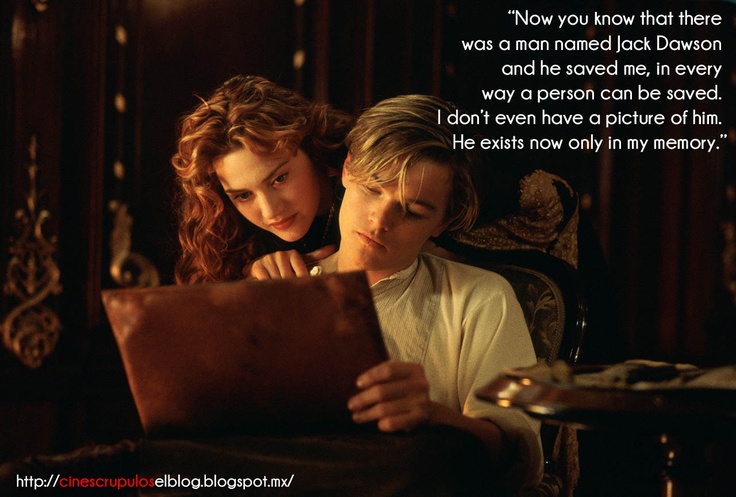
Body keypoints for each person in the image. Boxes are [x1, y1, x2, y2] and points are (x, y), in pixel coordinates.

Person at [266, 94, 544, 491]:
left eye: (413, 211)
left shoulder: (481, 299)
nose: (380, 220)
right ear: (347, 168)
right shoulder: (280, 284)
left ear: (442, 221)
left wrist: (433, 416)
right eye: (372, 188)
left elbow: (522, 462)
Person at [172, 74, 353, 284]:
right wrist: (251, 281)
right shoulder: (227, 230)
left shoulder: (369, 192)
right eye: (243, 195)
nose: (270, 211)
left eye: (279, 179)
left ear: (311, 149)